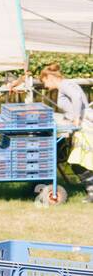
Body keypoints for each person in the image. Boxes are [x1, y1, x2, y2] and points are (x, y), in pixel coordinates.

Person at [39, 63, 93, 202]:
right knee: (80, 161)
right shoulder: (67, 84)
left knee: (78, 161)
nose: (45, 86)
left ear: (49, 77)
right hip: (82, 124)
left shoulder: (65, 85)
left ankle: (92, 192)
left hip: (84, 126)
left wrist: (75, 118)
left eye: (44, 82)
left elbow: (77, 98)